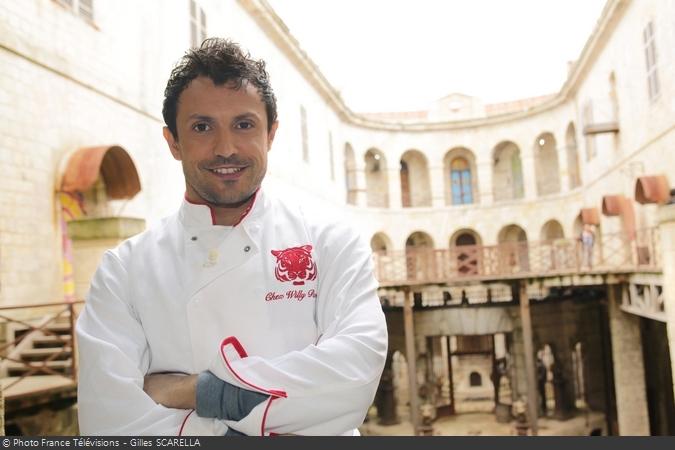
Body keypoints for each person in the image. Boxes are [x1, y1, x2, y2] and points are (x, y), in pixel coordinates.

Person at [76, 38, 388, 436]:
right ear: (173, 142)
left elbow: (355, 375)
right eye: (202, 127)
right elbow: (110, 423)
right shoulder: (124, 271)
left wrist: (204, 392)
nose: (225, 148)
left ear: (271, 134)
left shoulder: (332, 242)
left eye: (244, 125)